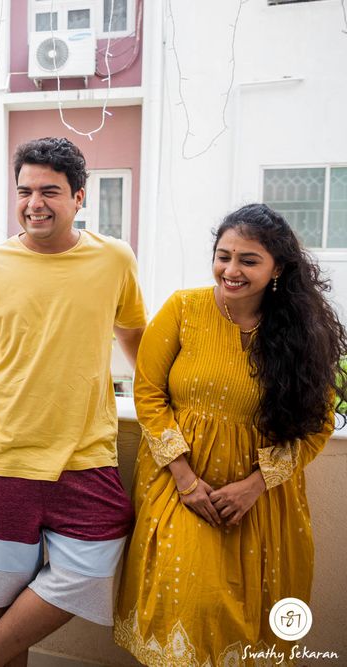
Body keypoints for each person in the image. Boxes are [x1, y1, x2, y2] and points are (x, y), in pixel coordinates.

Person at [114, 204, 346, 665]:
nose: (231, 270)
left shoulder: (303, 333)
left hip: (260, 501)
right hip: (179, 485)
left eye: (248, 260)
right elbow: (148, 392)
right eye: (224, 256)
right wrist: (184, 478)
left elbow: (317, 425)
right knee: (187, 606)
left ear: (277, 267)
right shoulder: (184, 308)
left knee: (246, 627)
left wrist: (254, 486)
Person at [0, 137, 147, 667]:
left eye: (50, 192)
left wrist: (166, 391)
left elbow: (133, 334)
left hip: (86, 452)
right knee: (3, 593)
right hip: (3, 452)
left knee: (94, 561)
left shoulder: (113, 259)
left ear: (79, 197)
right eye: (25, 191)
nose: (35, 203)